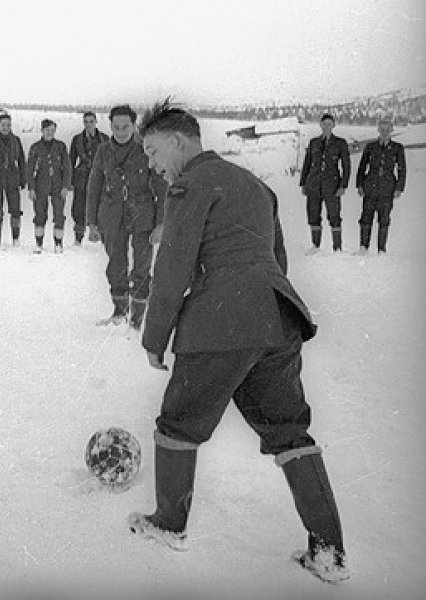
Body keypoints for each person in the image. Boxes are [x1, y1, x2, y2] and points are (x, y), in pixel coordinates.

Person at [130, 100, 348, 584]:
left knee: (179, 421)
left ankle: (168, 524)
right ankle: (329, 552)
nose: (151, 164)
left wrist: (155, 336)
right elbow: (277, 259)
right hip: (277, 319)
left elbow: (173, 267)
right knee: (289, 431)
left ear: (178, 141)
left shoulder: (191, 184)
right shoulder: (255, 185)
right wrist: (262, 321)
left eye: (152, 151)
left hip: (221, 321)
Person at [86, 104, 167, 329]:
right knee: (116, 264)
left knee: (142, 266)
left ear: (134, 125)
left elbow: (161, 186)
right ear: (110, 126)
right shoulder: (103, 151)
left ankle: (137, 318)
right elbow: (94, 187)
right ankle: (119, 312)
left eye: (125, 127)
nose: (120, 132)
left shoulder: (145, 148)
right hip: (111, 214)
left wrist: (161, 223)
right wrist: (92, 222)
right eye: (116, 127)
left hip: (142, 215)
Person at [299, 113, 350, 254]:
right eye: (324, 124)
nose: (327, 126)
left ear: (333, 126)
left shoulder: (340, 143)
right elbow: (307, 163)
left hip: (332, 185)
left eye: (329, 124)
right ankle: (315, 246)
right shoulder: (314, 142)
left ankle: (337, 248)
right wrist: (303, 183)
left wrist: (343, 185)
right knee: (313, 215)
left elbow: (346, 166)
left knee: (334, 216)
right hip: (313, 184)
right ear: (320, 125)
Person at [355, 118, 406, 254]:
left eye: (387, 130)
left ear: (391, 130)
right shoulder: (370, 147)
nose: (384, 132)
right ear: (378, 130)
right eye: (382, 130)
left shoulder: (397, 148)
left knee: (384, 219)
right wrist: (359, 184)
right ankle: (363, 247)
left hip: (387, 188)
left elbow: (402, 169)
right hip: (370, 187)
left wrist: (399, 188)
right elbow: (362, 167)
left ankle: (381, 249)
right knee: (366, 218)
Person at [26, 119, 72, 253]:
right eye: (47, 130)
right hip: (41, 183)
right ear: (42, 130)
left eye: (52, 130)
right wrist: (31, 188)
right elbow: (29, 169)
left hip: (58, 184)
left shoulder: (60, 146)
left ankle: (58, 243)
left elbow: (67, 167)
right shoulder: (35, 147)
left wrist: (65, 186)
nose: (49, 133)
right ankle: (39, 243)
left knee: (59, 214)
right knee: (40, 214)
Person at [0, 113, 27, 245]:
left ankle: (15, 237)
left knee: (15, 209)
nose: (5, 127)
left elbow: (21, 160)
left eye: (8, 125)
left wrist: (23, 177)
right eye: (3, 125)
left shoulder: (16, 140)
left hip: (12, 177)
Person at [69, 111, 109, 245]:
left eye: (91, 121)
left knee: (100, 206)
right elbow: (71, 160)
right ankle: (78, 237)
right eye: (86, 122)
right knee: (78, 208)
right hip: (82, 177)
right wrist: (70, 180)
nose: (89, 124)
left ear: (96, 122)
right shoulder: (77, 139)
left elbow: (110, 160)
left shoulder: (105, 139)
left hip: (99, 177)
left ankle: (100, 236)